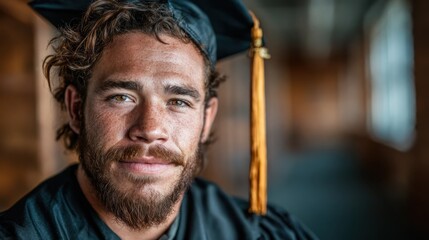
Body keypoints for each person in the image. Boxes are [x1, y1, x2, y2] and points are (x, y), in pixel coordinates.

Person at [0, 0, 317, 239]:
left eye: (178, 101)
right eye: (122, 97)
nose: (150, 129)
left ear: (207, 120)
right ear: (75, 109)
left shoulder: (260, 233)